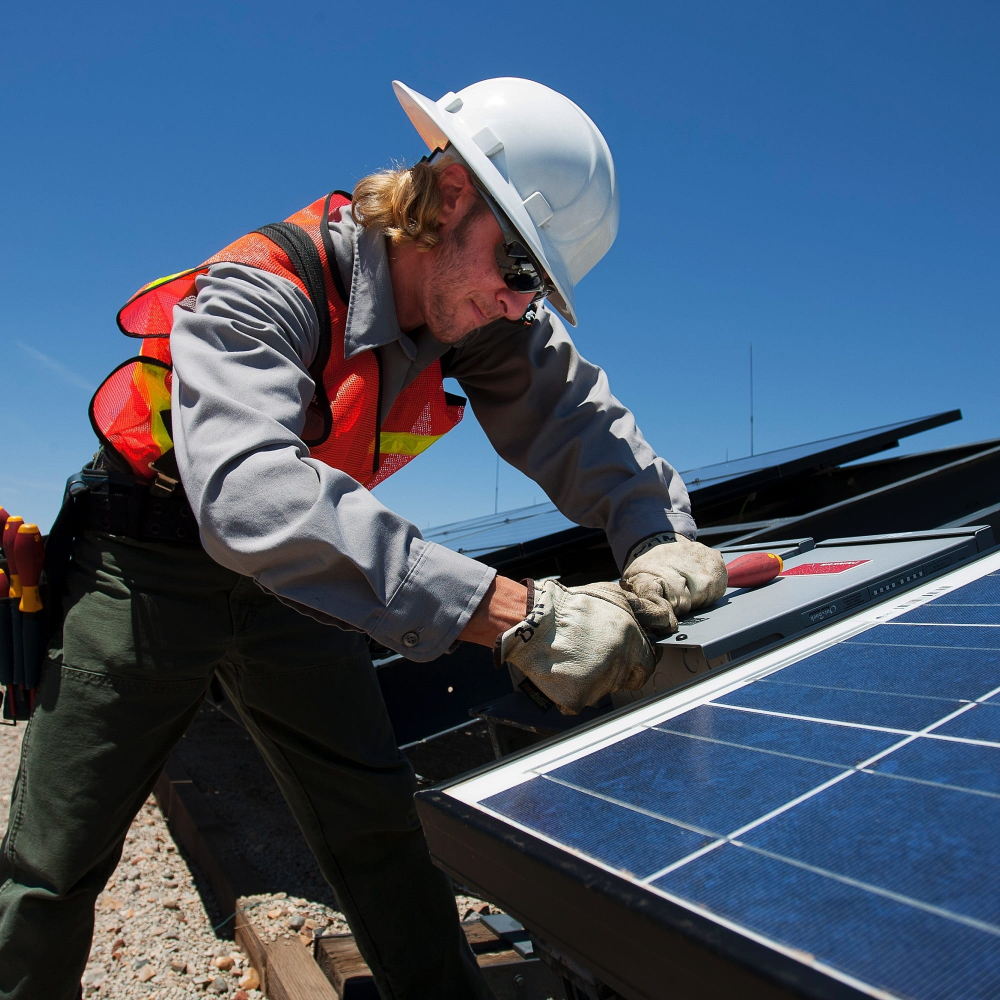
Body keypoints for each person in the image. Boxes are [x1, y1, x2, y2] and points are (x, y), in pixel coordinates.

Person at [0, 78, 726, 999]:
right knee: (54, 864)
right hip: (145, 567)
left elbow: (578, 418)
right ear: (453, 194)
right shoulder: (266, 284)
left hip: (294, 584)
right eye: (520, 271)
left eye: (536, 283)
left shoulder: (475, 310)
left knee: (379, 829)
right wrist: (512, 613)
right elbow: (254, 496)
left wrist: (658, 536)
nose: (519, 303)